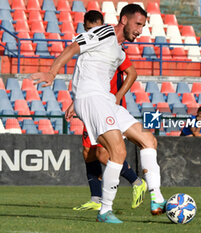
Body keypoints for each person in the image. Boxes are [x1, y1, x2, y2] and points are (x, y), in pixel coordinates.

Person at [31, 6, 166, 224]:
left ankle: (157, 198)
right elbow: (74, 47)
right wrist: (52, 72)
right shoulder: (104, 33)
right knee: (117, 151)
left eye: (143, 26)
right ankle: (105, 210)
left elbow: (99, 69)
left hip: (104, 99)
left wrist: (114, 96)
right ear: (124, 20)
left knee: (148, 140)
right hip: (92, 98)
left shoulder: (119, 50)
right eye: (138, 24)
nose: (141, 30)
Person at [72, 56, 147, 211]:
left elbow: (131, 73)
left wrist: (118, 96)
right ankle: (95, 199)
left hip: (107, 108)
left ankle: (137, 182)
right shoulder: (93, 49)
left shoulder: (115, 48)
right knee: (88, 152)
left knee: (102, 153)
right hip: (92, 104)